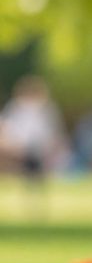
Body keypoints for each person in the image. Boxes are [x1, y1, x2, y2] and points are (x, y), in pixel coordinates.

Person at [1, 75, 66, 215]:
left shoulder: (45, 109)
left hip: (37, 148)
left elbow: (50, 130)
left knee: (36, 176)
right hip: (22, 147)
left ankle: (36, 204)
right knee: (30, 175)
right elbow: (9, 128)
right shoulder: (16, 108)